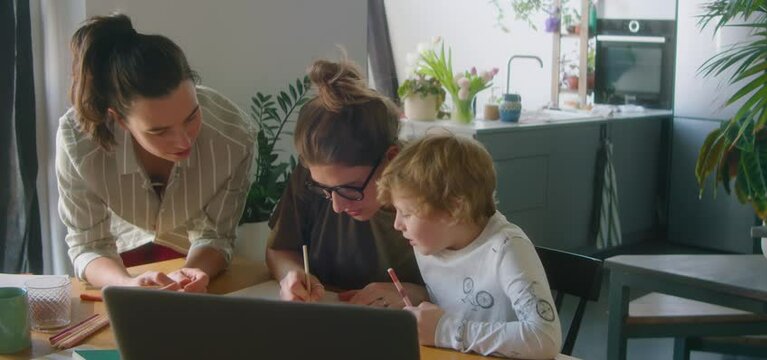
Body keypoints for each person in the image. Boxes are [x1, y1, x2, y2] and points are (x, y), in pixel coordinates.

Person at [57, 14, 255, 292]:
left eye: (192, 116)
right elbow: (88, 244)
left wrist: (192, 274)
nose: (184, 140)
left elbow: (216, 236)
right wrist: (126, 284)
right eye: (159, 131)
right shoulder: (78, 142)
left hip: (191, 255)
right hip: (119, 257)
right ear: (120, 120)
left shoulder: (234, 137)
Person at [376, 134, 563, 359]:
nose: (397, 224)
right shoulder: (432, 242)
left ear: (454, 209)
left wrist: (444, 330)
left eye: (407, 213)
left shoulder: (506, 248)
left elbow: (545, 338)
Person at [265, 59, 425, 308]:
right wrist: (292, 276)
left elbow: (478, 287)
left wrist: (416, 294)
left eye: (350, 188)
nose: (337, 207)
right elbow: (280, 250)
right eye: (325, 191)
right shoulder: (311, 176)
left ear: (391, 158)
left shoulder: (433, 190)